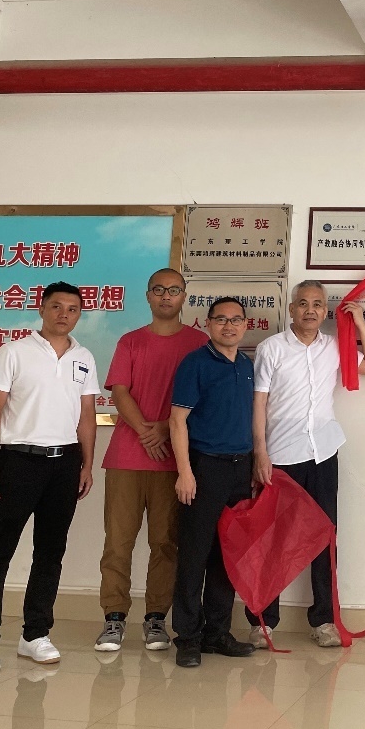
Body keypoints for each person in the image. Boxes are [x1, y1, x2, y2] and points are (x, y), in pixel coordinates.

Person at [0, 282, 99, 675]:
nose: (64, 314)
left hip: (65, 463)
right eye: (56, 306)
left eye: (72, 309)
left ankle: (35, 633)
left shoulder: (84, 357)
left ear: (79, 315)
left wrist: (87, 465)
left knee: (50, 551)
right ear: (41, 309)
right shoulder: (14, 352)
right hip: (19, 461)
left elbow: (86, 416)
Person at [247, 280, 365, 648]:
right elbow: (259, 403)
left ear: (326, 311)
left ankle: (324, 620)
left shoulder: (334, 347)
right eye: (303, 303)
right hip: (280, 456)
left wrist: (359, 325)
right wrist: (260, 453)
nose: (310, 310)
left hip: (322, 454)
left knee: (325, 538)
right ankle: (263, 622)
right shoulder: (272, 348)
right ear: (292, 309)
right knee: (273, 540)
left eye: (318, 304)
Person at [94, 268, 208, 653]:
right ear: (148, 296)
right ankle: (113, 617)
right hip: (126, 457)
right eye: (158, 290)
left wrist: (164, 428)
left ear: (184, 297)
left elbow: (203, 397)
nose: (165, 296)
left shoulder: (198, 343)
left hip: (175, 461)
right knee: (118, 542)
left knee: (166, 543)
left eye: (173, 290)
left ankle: (156, 618)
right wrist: (146, 430)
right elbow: (119, 391)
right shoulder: (130, 341)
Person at [169, 296, 258, 667]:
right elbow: (177, 420)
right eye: (221, 319)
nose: (229, 326)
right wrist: (185, 472)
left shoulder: (247, 365)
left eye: (236, 320)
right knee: (194, 554)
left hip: (240, 469)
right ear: (208, 324)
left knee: (227, 556)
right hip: (204, 468)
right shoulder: (195, 363)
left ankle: (217, 633)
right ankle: (188, 637)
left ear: (245, 325)